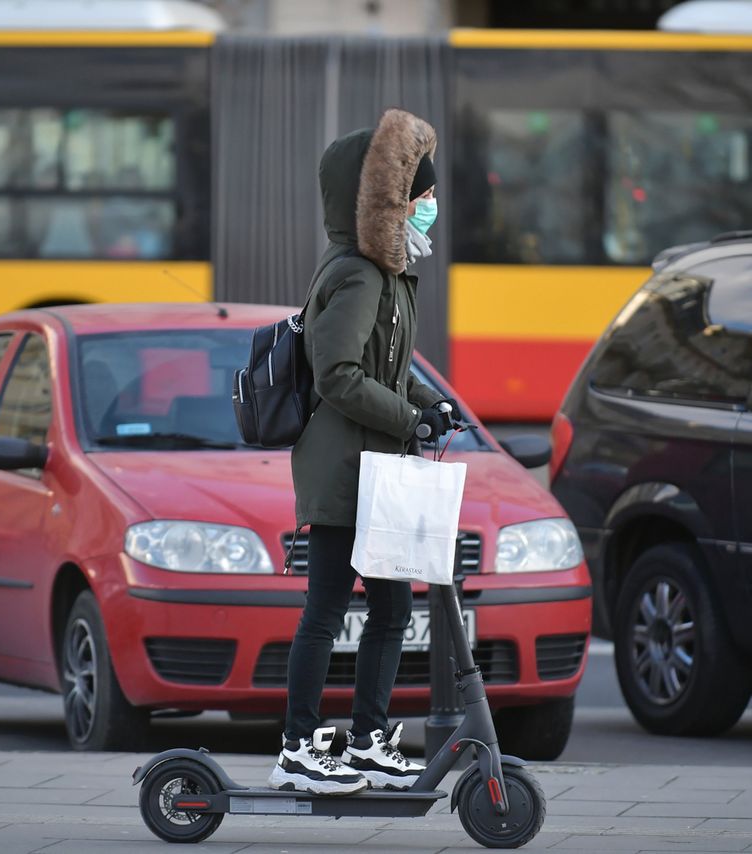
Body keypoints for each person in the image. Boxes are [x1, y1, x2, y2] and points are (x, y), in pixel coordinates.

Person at [269, 108, 461, 795]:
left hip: (378, 470)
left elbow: (389, 363)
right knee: (326, 609)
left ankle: (369, 739)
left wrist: (431, 402)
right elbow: (339, 375)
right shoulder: (356, 273)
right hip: (341, 471)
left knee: (390, 610)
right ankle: (296, 748)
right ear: (388, 199)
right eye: (423, 195)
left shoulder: (392, 274)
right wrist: (411, 420)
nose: (433, 206)